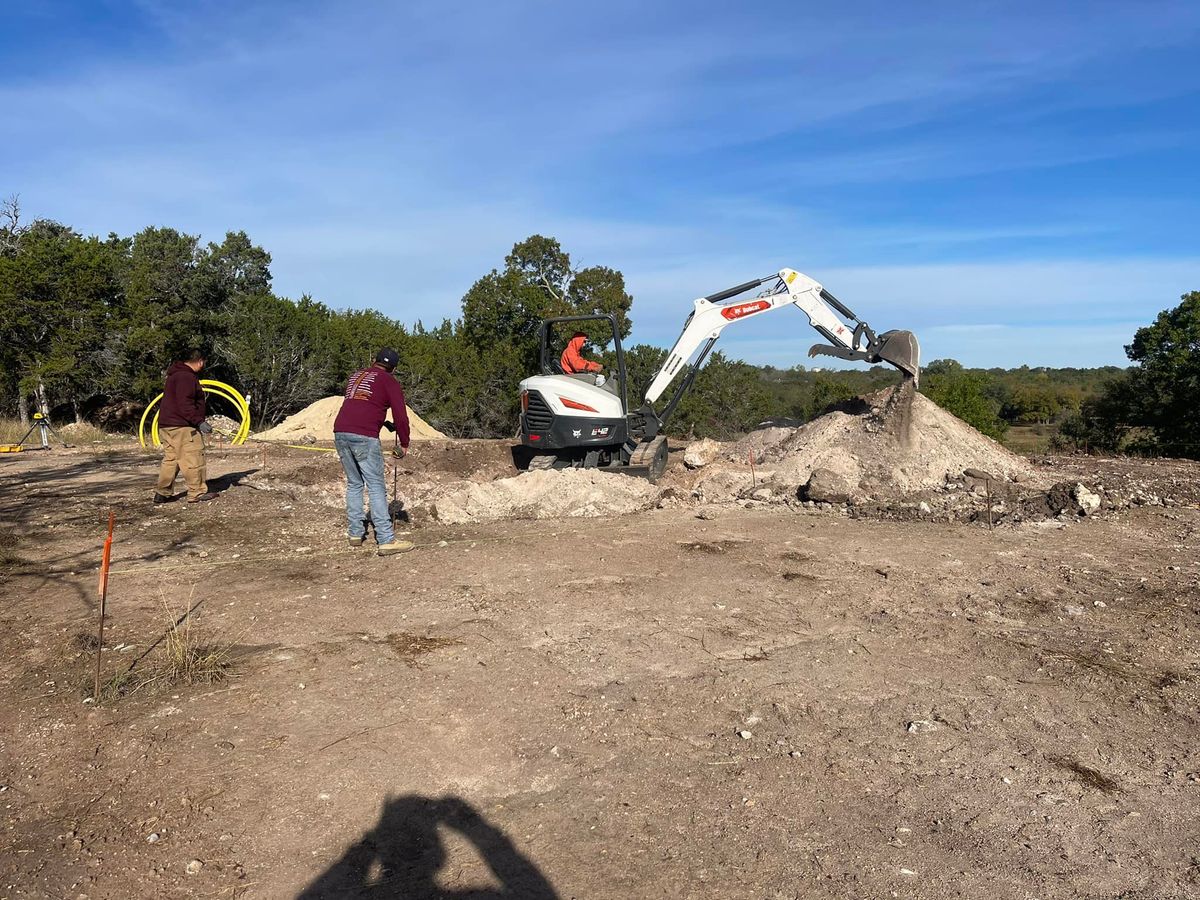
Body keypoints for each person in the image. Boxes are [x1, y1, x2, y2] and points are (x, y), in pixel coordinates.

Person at [333, 348, 413, 555]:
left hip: (341, 430)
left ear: (373, 361)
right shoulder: (389, 381)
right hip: (364, 436)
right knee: (376, 485)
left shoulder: (356, 376)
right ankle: (386, 539)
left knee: (354, 483)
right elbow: (401, 415)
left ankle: (355, 533)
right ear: (394, 369)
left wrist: (383, 421)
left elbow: (361, 405)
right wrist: (404, 443)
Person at [154, 350, 217, 504]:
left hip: (167, 426)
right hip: (183, 426)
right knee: (194, 457)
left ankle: (163, 493)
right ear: (200, 361)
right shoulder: (187, 377)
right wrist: (198, 421)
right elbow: (185, 403)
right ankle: (197, 492)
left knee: (172, 459)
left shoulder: (174, 375)